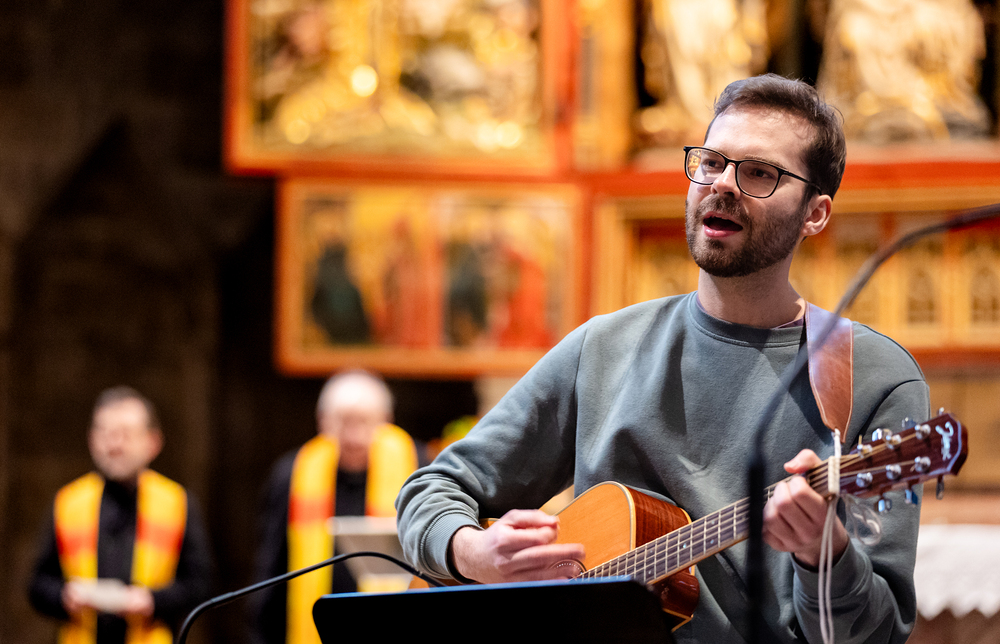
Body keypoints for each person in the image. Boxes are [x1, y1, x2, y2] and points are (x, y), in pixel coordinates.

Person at [396, 74, 929, 643]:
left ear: (814, 214)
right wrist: (471, 551)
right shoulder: (604, 347)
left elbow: (875, 636)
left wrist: (826, 558)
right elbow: (434, 489)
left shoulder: (872, 377)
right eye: (711, 162)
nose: (722, 183)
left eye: (758, 173)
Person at [28, 386, 213, 644]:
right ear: (91, 440)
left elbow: (200, 585)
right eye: (104, 433)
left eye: (126, 434)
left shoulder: (177, 503)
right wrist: (64, 596)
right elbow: (37, 585)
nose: (114, 444)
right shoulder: (68, 502)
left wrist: (152, 601)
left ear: (153, 442)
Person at [251, 370, 420, 644]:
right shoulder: (292, 474)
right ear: (322, 422)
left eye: (365, 422)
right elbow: (272, 568)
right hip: (314, 629)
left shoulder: (419, 469)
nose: (354, 436)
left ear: (386, 421)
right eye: (343, 422)